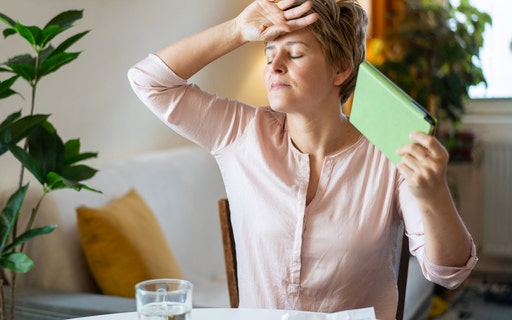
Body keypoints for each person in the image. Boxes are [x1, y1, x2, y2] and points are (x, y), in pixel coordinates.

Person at [127, 0, 478, 319]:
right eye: (268, 55)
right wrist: (236, 29)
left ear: (340, 69)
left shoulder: (388, 156)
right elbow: (148, 82)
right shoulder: (241, 133)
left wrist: (434, 195)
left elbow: (448, 271)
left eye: (293, 54)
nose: (274, 67)